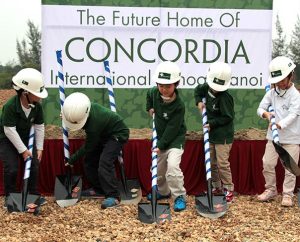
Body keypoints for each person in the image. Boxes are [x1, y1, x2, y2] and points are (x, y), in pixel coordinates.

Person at [62, 92, 129, 209]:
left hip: (117, 135)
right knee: (89, 160)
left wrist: (72, 159)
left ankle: (114, 196)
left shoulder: (94, 125)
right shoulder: (83, 107)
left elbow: (88, 146)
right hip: (102, 134)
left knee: (105, 163)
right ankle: (99, 189)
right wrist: (69, 118)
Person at [0, 68, 48, 208]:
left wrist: (39, 147)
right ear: (25, 93)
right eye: (37, 93)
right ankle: (10, 197)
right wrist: (22, 150)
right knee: (12, 168)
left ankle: (33, 195)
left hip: (26, 138)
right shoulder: (10, 106)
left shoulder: (37, 107)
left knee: (34, 165)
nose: (40, 97)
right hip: (7, 139)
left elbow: (39, 126)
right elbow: (9, 130)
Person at [257, 56, 300, 207]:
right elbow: (260, 108)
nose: (280, 83)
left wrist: (279, 125)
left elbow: (294, 114)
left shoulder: (296, 96)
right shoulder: (271, 93)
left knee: (289, 167)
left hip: (292, 138)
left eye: (283, 79)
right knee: (267, 163)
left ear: (290, 76)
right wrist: (266, 115)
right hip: (273, 138)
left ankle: (288, 194)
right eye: (278, 80)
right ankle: (270, 189)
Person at [146, 61, 187, 212]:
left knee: (172, 167)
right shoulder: (154, 92)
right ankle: (163, 192)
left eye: (168, 86)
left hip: (174, 140)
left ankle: (179, 196)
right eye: (161, 85)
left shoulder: (179, 105)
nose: (163, 89)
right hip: (160, 138)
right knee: (159, 169)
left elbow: (172, 128)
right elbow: (149, 95)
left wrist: (161, 145)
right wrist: (149, 107)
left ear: (175, 85)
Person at [194, 62, 235, 203]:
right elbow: (197, 91)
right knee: (211, 162)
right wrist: (198, 101)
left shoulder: (225, 98)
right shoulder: (206, 87)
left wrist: (212, 123)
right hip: (210, 135)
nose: (215, 89)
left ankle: (229, 189)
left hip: (223, 135)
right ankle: (217, 187)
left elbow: (228, 117)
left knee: (222, 163)